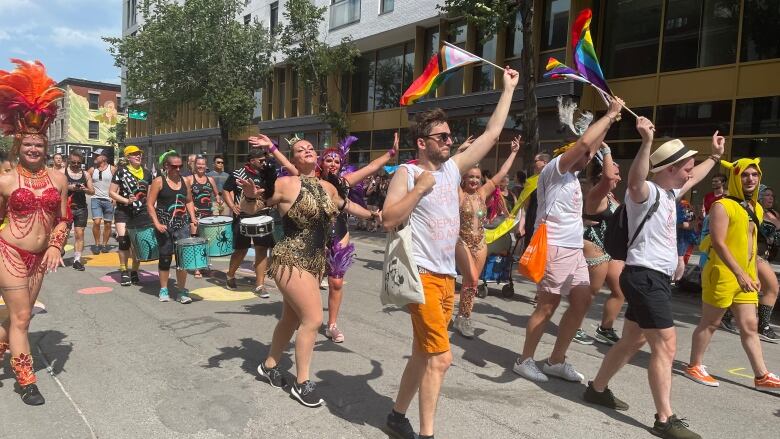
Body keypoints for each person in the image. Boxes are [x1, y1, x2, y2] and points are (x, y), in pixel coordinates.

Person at [380, 66, 519, 439]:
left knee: (424, 354)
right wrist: (419, 190)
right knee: (441, 359)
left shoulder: (454, 170)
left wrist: (507, 90)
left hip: (446, 279)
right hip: (421, 276)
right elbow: (387, 218)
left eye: (449, 135)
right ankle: (427, 433)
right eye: (441, 136)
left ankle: (396, 415)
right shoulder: (408, 174)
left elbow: (492, 133)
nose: (448, 140)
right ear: (422, 142)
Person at [583, 122, 724, 439]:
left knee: (633, 340)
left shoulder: (670, 193)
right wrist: (646, 141)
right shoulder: (644, 194)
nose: (691, 173)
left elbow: (699, 175)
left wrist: (714, 158)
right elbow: (633, 181)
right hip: (645, 276)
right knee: (667, 345)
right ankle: (665, 418)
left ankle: (596, 388)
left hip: (651, 278)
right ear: (672, 168)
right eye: (687, 167)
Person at [252, 136, 373, 408]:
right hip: (290, 258)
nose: (306, 150)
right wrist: (250, 195)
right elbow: (254, 206)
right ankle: (302, 382)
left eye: (310, 148)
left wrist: (376, 216)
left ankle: (269, 365)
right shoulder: (285, 184)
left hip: (315, 261)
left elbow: (348, 206)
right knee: (313, 319)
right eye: (299, 150)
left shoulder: (327, 187)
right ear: (293, 159)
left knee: (291, 320)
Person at [513, 97, 624, 384]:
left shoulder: (573, 179)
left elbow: (593, 145)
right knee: (547, 305)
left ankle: (555, 360)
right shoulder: (554, 170)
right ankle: (524, 360)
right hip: (553, 247)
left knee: (582, 302)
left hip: (573, 249)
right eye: (586, 154)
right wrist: (610, 115)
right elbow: (585, 145)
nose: (590, 158)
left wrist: (608, 127)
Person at [257, 133, 390, 342]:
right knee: (305, 296)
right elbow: (290, 167)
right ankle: (304, 317)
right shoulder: (305, 179)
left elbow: (369, 170)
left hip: (338, 234)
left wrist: (391, 153)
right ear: (322, 161)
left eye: (338, 160)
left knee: (336, 283)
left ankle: (330, 324)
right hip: (308, 242)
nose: (334, 163)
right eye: (329, 159)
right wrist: (273, 150)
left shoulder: (341, 183)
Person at [0, 59, 70, 405]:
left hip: (41, 257)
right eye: (28, 144)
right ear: (19, 145)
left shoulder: (59, 179)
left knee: (18, 313)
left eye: (39, 145)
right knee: (24, 316)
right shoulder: (6, 180)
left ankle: (2, 345)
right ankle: (25, 379)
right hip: (10, 252)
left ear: (46, 147)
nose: (33, 149)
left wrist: (57, 245)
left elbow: (64, 218)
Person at [684, 157, 780, 392]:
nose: (750, 179)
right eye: (744, 175)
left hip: (745, 277)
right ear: (736, 177)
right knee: (711, 322)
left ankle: (761, 375)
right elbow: (718, 242)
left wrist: (753, 272)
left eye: (754, 175)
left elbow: (751, 243)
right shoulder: (722, 205)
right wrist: (739, 273)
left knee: (749, 324)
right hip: (723, 273)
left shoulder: (755, 207)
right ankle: (695, 365)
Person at [452, 136, 520, 338]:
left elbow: (502, 173)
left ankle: (463, 317)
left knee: (472, 283)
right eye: (470, 177)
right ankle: (461, 317)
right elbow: (451, 171)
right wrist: (459, 151)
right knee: (471, 278)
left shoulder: (482, 194)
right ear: (464, 178)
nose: (474, 180)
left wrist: (514, 152)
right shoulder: (460, 194)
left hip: (480, 243)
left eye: (477, 177)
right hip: (461, 241)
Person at [718, 186, 780, 341]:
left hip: (767, 256)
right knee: (772, 287)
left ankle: (725, 315)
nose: (770, 198)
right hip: (754, 255)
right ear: (759, 197)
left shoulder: (774, 214)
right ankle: (763, 326)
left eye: (772, 195)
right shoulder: (752, 212)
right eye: (766, 195)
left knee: (746, 288)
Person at [579, 145, 624, 346]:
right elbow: (607, 179)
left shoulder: (611, 196)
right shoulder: (596, 193)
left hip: (610, 249)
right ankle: (574, 326)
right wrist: (607, 152)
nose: (619, 178)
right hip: (594, 245)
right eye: (616, 174)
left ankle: (605, 329)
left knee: (619, 290)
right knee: (590, 292)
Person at [222, 148, 277, 295]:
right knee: (241, 250)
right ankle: (230, 275)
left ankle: (259, 285)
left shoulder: (268, 174)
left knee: (261, 249)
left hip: (262, 216)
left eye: (265, 160)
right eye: (261, 160)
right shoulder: (238, 174)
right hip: (243, 217)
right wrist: (232, 205)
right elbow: (226, 190)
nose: (264, 163)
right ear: (252, 160)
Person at [147, 152, 198, 303]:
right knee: (165, 258)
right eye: (174, 166)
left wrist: (193, 218)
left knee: (183, 259)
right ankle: (164, 289)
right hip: (164, 225)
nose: (178, 169)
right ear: (166, 166)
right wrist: (156, 223)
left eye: (180, 166)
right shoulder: (159, 181)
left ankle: (181, 291)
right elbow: (150, 204)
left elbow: (188, 200)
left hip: (181, 225)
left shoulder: (185, 181)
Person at [109, 145, 153, 286]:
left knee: (137, 243)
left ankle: (134, 270)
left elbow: (151, 195)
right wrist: (126, 200)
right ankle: (123, 270)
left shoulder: (147, 173)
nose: (138, 156)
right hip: (123, 211)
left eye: (139, 154)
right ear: (128, 157)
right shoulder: (121, 172)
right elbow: (112, 192)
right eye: (134, 154)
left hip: (141, 212)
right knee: (124, 241)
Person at [186, 156, 221, 278]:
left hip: (208, 214)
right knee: (196, 240)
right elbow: (184, 197)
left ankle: (204, 265)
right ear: (195, 165)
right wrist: (191, 208)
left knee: (206, 241)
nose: (201, 166)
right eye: (198, 164)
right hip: (194, 214)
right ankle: (196, 267)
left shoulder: (210, 179)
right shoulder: (189, 179)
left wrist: (218, 200)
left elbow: (217, 194)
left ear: (206, 166)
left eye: (203, 164)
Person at [65, 150, 95, 271]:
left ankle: (77, 260)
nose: (76, 165)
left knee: (80, 234)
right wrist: (69, 187)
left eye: (78, 163)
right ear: (69, 161)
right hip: (66, 208)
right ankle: (59, 251)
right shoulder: (63, 172)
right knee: (64, 234)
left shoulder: (86, 174)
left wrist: (84, 189)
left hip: (81, 208)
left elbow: (92, 191)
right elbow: (55, 187)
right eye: (73, 162)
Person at [87, 148, 116, 254]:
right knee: (97, 221)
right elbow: (83, 179)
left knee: (108, 223)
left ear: (104, 157)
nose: (94, 157)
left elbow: (118, 184)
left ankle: (104, 244)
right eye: (94, 155)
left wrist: (115, 197)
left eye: (96, 155)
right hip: (96, 199)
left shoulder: (112, 169)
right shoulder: (91, 170)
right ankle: (97, 244)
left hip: (109, 200)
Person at [674, 199, 698, 282]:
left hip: (683, 238)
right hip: (672, 238)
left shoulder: (685, 205)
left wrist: (675, 224)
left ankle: (676, 280)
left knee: (680, 258)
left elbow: (692, 224)